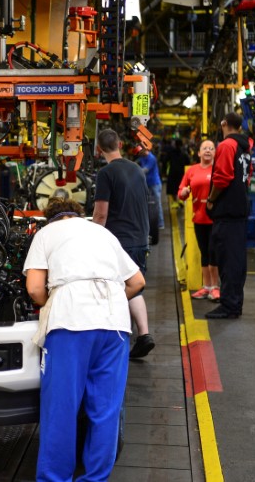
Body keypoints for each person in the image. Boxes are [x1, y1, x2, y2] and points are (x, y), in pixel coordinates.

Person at [23, 197, 145, 481]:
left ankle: (56, 478)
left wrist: (52, 303)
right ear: (78, 214)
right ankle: (95, 478)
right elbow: (137, 282)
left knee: (61, 409)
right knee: (105, 410)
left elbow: (34, 288)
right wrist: (110, 301)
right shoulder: (103, 233)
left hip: (70, 320)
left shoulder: (46, 233)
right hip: (115, 323)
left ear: (51, 218)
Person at [93, 128, 155, 358]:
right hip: (140, 238)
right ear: (119, 143)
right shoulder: (137, 169)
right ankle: (144, 335)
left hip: (120, 241)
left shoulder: (105, 174)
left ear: (99, 150)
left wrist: (92, 238)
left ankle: (116, 339)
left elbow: (100, 214)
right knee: (134, 286)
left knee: (115, 289)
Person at [205, 113, 253, 319]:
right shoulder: (245, 147)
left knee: (228, 261)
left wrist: (211, 199)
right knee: (236, 261)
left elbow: (223, 178)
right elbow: (248, 176)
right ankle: (234, 303)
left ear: (224, 123)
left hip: (227, 211)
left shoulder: (227, 145)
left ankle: (230, 306)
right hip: (239, 210)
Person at [178, 140, 220, 301]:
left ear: (215, 153)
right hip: (199, 218)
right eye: (205, 148)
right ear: (199, 153)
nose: (208, 150)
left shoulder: (218, 169)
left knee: (213, 253)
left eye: (211, 148)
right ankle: (207, 287)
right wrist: (184, 192)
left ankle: (215, 287)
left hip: (215, 219)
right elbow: (181, 191)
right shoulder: (192, 171)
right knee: (204, 253)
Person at [138, 147, 164, 229]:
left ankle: (160, 223)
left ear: (145, 150)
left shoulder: (152, 158)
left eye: (140, 151)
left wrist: (133, 170)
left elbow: (145, 170)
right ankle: (147, 223)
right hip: (147, 183)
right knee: (146, 203)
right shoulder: (142, 157)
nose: (139, 153)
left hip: (155, 184)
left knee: (157, 203)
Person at [165, 139, 190, 209]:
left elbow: (165, 160)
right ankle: (181, 201)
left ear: (175, 144)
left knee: (172, 188)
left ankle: (175, 202)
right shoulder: (184, 153)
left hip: (172, 173)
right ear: (182, 145)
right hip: (181, 174)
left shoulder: (171, 152)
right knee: (181, 187)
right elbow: (188, 163)